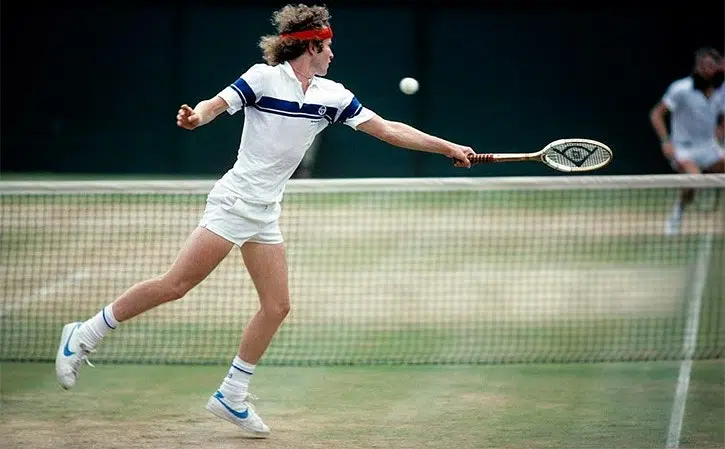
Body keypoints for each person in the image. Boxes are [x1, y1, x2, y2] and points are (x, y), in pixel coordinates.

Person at [54, 3, 475, 438]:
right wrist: (197, 117)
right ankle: (84, 333)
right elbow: (213, 105)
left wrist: (446, 148)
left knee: (277, 306)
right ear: (311, 46)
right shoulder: (262, 78)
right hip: (235, 201)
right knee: (176, 285)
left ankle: (231, 394)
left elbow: (388, 129)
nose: (332, 55)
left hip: (265, 210)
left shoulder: (334, 96)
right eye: (327, 48)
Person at [649, 46, 725, 235]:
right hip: (684, 150)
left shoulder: (720, 92)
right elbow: (656, 114)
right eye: (703, 65)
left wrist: (720, 132)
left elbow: (722, 117)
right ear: (697, 67)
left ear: (716, 68)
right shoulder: (680, 89)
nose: (707, 69)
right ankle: (677, 214)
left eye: (711, 66)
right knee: (694, 180)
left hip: (709, 148)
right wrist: (666, 141)